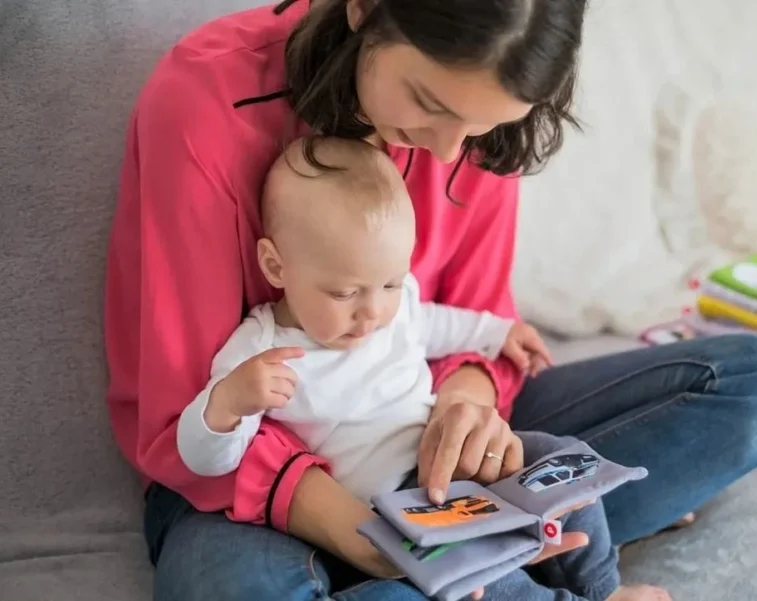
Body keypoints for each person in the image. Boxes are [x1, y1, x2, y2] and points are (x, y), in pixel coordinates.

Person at [103, 0, 757, 599]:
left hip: (420, 440)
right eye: (430, 104)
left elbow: (473, 322)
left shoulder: (475, 127)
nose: (448, 153)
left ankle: (476, 555)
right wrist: (365, 533)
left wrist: (466, 410)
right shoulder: (203, 105)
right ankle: (465, 563)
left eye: (481, 126)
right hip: (240, 481)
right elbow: (184, 418)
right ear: (363, 9)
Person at [173, 136, 665, 600]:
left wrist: (496, 333)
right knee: (479, 571)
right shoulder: (262, 349)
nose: (372, 312)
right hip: (396, 502)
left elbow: (431, 323)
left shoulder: (390, 301)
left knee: (565, 460)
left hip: (451, 455)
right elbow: (205, 459)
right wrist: (228, 405)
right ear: (276, 266)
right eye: (344, 293)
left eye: (389, 284)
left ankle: (604, 586)